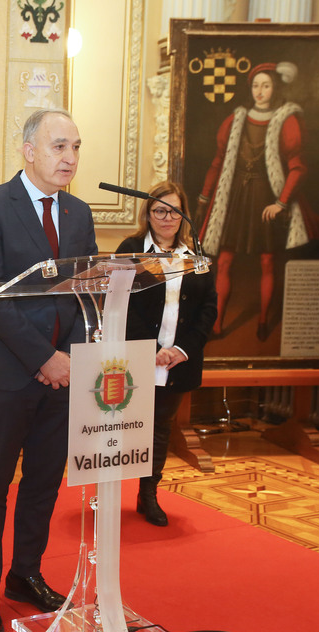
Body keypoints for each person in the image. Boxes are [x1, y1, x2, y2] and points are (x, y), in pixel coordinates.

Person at [0, 109, 97, 632]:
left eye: (77, 148)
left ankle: (25, 574)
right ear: (29, 150)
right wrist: (44, 358)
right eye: (59, 147)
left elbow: (88, 290)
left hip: (64, 376)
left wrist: (69, 358)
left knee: (42, 483)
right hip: (8, 373)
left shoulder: (80, 213)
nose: (70, 158)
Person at [115, 182, 217, 524]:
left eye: (174, 210)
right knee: (126, 424)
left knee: (160, 428)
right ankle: (109, 493)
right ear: (148, 214)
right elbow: (120, 304)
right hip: (136, 357)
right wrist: (152, 349)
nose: (167, 217)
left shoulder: (195, 255)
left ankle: (148, 494)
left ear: (183, 215)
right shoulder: (130, 249)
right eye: (160, 210)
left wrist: (180, 350)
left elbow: (208, 309)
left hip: (178, 361)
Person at [195, 61, 319, 341]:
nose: (260, 91)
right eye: (255, 85)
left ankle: (263, 321)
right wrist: (204, 195)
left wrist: (281, 203)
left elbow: (298, 167)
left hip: (266, 198)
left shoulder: (287, 119)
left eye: (266, 85)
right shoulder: (236, 119)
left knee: (266, 262)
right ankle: (217, 324)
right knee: (224, 262)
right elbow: (218, 161)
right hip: (235, 197)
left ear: (274, 88)